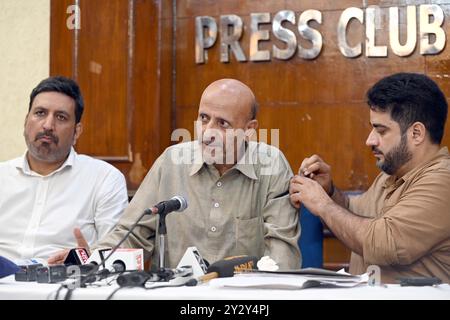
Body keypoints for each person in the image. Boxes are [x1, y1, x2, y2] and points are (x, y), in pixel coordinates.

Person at [49, 78, 301, 269]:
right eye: (204, 118)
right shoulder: (171, 162)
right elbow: (133, 233)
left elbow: (281, 254)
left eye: (222, 123)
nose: (208, 132)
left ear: (249, 130)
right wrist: (91, 260)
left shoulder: (271, 164)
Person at [290, 73, 450, 283]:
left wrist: (322, 204)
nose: (369, 140)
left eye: (381, 131)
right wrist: (329, 191)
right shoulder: (390, 175)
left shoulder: (442, 180)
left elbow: (384, 243)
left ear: (416, 133)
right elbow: (353, 216)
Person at [0, 76, 128, 262]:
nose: (48, 125)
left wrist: (89, 258)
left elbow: (115, 253)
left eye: (61, 117)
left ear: (77, 132)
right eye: (40, 113)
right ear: (26, 122)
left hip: (64, 285)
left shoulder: (104, 178)